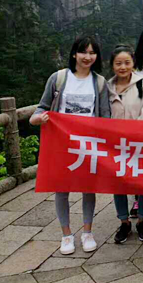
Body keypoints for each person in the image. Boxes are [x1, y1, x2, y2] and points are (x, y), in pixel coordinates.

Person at [30, 36, 110, 255]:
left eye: (92, 53)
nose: (87, 57)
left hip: (88, 143)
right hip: (61, 142)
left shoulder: (99, 82)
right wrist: (37, 118)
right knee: (62, 188)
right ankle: (66, 235)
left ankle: (87, 232)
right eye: (83, 52)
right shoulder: (58, 78)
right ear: (74, 54)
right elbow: (42, 107)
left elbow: (105, 117)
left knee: (88, 188)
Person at [107, 45, 143, 244]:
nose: (123, 67)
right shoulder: (107, 87)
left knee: (142, 183)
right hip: (115, 144)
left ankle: (142, 221)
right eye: (118, 63)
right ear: (112, 65)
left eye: (127, 62)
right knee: (118, 183)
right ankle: (124, 222)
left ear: (133, 64)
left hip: (140, 142)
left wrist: (138, 133)